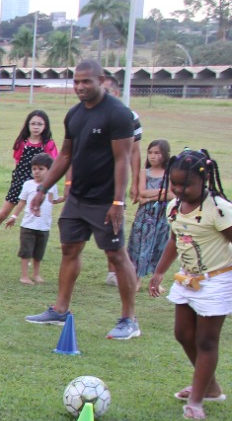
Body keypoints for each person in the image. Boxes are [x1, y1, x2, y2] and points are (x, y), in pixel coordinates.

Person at [25, 59, 141, 339]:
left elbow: (122, 160)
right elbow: (65, 155)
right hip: (77, 197)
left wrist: (118, 202)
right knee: (69, 250)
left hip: (105, 200)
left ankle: (129, 320)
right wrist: (42, 190)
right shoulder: (75, 114)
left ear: (102, 80)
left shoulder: (118, 114)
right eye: (76, 81)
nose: (80, 86)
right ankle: (60, 310)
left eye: (86, 81)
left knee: (116, 254)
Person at [146, 149, 232, 421]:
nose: (180, 189)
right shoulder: (174, 207)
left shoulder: (218, 209)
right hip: (187, 278)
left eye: (187, 185)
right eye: (175, 184)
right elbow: (175, 239)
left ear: (204, 181)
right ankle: (210, 387)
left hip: (216, 280)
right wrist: (159, 272)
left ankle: (197, 400)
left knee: (206, 340)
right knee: (183, 334)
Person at [0, 109, 57, 257]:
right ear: (28, 125)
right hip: (18, 184)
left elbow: (53, 166)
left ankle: (34, 253)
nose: (36, 127)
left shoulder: (48, 144)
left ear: (45, 126)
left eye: (39, 124)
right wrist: (16, 183)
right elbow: (17, 163)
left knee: (36, 219)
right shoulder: (21, 143)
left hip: (38, 188)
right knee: (2, 214)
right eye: (33, 123)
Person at [103, 74, 144, 287]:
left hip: (115, 182)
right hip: (93, 180)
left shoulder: (129, 116)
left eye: (107, 91)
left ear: (116, 93)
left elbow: (135, 152)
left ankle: (115, 271)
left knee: (114, 223)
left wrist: (136, 183)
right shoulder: (91, 114)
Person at [5, 152, 60, 284]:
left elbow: (53, 200)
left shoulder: (52, 186)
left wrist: (66, 197)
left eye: (41, 169)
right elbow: (22, 202)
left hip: (44, 226)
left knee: (38, 252)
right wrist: (14, 216)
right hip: (28, 226)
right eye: (34, 169)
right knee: (26, 251)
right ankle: (24, 276)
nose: (37, 172)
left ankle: (36, 274)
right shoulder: (28, 185)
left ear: (49, 170)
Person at [127, 139, 171, 280]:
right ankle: (137, 278)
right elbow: (142, 192)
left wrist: (150, 198)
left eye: (157, 153)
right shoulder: (144, 172)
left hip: (161, 217)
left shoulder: (169, 174)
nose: (152, 156)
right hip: (144, 217)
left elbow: (172, 194)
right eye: (150, 152)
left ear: (164, 154)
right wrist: (162, 192)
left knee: (159, 246)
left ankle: (156, 278)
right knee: (140, 246)